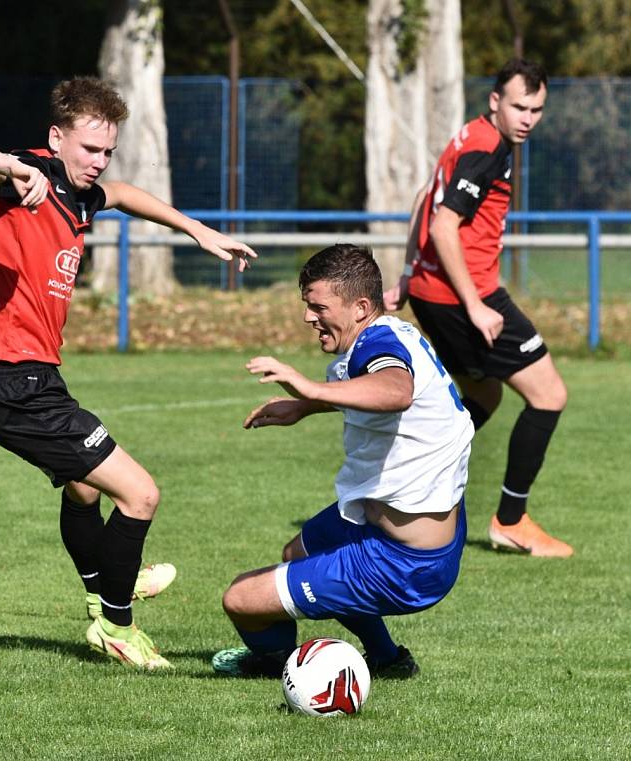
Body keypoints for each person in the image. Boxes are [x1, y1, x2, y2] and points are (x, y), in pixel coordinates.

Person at [0, 76, 257, 671]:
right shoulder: (28, 176)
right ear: (56, 138)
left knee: (85, 487)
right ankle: (117, 625)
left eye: (108, 150)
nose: (99, 161)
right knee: (141, 494)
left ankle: (107, 584)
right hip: (15, 383)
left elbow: (125, 194)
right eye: (89, 149)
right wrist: (13, 168)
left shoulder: (82, 194)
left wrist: (198, 231)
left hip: (36, 379)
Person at [212, 244, 473, 679]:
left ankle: (276, 666)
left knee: (239, 599)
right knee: (296, 553)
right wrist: (305, 408)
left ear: (361, 307)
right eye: (306, 305)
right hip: (387, 526)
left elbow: (395, 391)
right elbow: (384, 393)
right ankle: (388, 659)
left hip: (404, 563)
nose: (307, 317)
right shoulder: (388, 334)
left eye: (318, 307)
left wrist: (308, 389)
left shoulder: (381, 346)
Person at [384, 58, 573, 558]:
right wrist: (476, 306)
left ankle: (399, 489)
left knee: (481, 398)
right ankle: (511, 521)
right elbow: (444, 225)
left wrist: (406, 275)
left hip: (434, 290)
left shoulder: (470, 135)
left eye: (536, 109)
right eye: (518, 106)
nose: (528, 117)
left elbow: (425, 197)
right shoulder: (489, 150)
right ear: (495, 101)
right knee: (549, 394)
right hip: (466, 296)